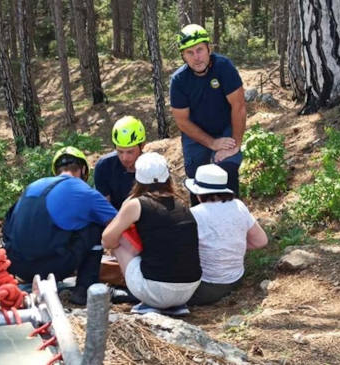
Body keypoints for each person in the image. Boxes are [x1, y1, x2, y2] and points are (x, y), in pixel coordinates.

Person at [2, 146, 117, 305]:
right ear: (83, 169)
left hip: (16, 265)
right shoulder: (83, 190)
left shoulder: (34, 185)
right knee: (94, 225)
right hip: (50, 268)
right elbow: (118, 222)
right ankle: (84, 289)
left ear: (56, 170)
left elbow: (9, 224)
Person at [102, 152, 201, 315]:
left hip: (158, 291)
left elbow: (107, 239)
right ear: (167, 177)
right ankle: (172, 304)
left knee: (117, 238)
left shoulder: (136, 204)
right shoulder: (182, 204)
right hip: (189, 290)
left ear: (138, 178)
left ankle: (149, 300)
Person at [169, 24, 247, 202]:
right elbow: (182, 122)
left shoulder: (224, 67)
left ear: (208, 49)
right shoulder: (179, 81)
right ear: (183, 56)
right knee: (197, 175)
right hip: (196, 132)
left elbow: (239, 106)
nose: (196, 57)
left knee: (227, 168)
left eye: (200, 50)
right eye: (190, 52)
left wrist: (235, 144)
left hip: (226, 126)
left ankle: (234, 216)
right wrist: (212, 143)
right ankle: (200, 223)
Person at [184, 164, 268, 306]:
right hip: (235, 278)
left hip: (206, 286)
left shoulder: (195, 214)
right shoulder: (239, 205)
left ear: (198, 193)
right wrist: (232, 244)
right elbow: (261, 241)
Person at [94, 116, 146, 210]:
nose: (124, 158)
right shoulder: (104, 167)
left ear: (142, 146)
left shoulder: (152, 168)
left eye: (130, 152)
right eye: (120, 151)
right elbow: (105, 209)